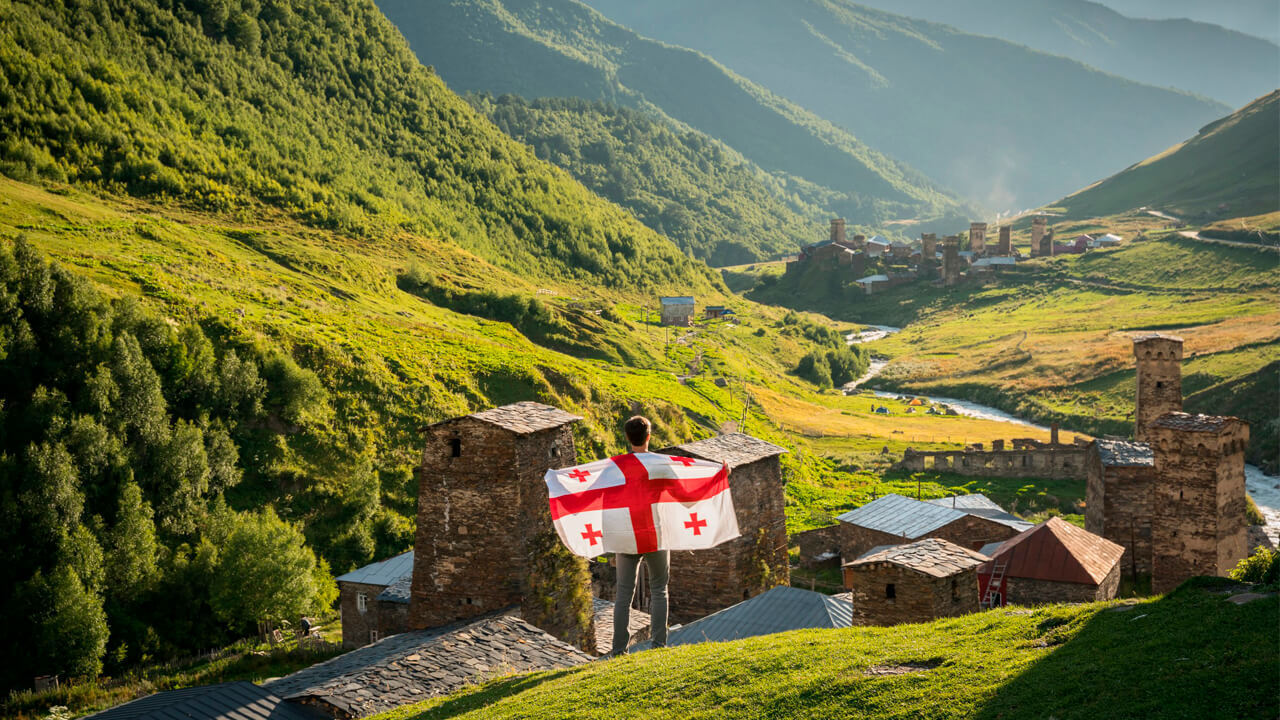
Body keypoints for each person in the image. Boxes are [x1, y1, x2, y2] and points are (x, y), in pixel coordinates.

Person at [611, 415, 727, 655]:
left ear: (627, 437)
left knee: (623, 593)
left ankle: (619, 651)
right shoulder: (661, 465)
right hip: (655, 532)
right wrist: (719, 477)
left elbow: (600, 498)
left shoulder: (616, 467)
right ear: (649, 436)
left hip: (627, 535)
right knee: (659, 589)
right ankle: (658, 646)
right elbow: (687, 498)